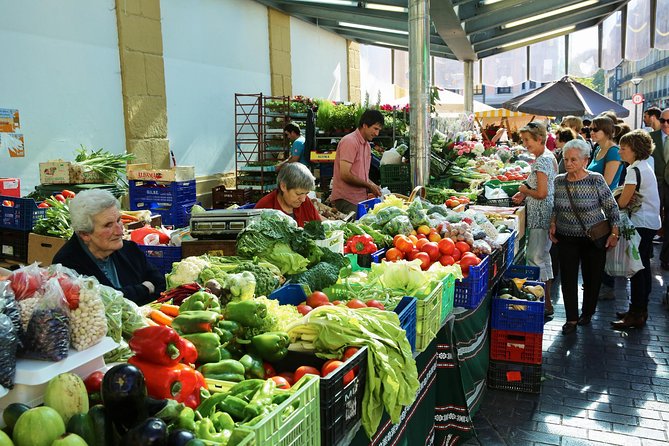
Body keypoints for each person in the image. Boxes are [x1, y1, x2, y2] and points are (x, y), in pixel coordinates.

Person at [549, 139, 621, 335]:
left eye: (574, 159)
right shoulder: (559, 181)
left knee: (592, 278)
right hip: (566, 237)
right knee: (568, 278)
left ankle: (588, 312)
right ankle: (571, 318)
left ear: (585, 160)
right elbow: (555, 207)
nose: (569, 163)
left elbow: (611, 207)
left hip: (593, 238)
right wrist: (553, 223)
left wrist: (614, 232)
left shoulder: (596, 179)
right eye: (566, 159)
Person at [52, 189, 165, 305]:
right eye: (108, 225)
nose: (119, 230)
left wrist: (131, 294)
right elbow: (101, 304)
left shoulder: (129, 249)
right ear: (85, 234)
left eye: (118, 220)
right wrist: (144, 289)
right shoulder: (66, 266)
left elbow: (160, 284)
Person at [611, 130, 661, 329]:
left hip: (640, 223)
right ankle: (639, 310)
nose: (620, 152)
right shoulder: (645, 165)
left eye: (623, 149)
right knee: (644, 268)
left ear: (635, 150)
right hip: (650, 222)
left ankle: (636, 313)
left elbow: (622, 202)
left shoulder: (634, 169)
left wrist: (617, 197)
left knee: (637, 269)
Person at [512, 122, 557, 315]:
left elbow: (541, 193)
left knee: (534, 258)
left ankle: (539, 302)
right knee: (544, 258)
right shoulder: (548, 157)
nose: (525, 144)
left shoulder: (541, 161)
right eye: (523, 140)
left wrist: (524, 190)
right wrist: (524, 194)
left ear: (539, 139)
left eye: (527, 140)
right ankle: (546, 303)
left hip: (540, 216)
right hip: (546, 215)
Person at [329, 109, 384, 214]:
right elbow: (345, 174)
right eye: (375, 128)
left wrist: (373, 185)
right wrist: (369, 185)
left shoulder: (366, 145)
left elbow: (361, 175)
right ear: (364, 125)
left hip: (359, 200)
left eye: (379, 130)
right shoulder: (350, 141)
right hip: (346, 199)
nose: (377, 133)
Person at [254, 162, 322, 227]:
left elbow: (318, 228)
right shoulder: (264, 208)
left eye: (306, 193)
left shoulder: (305, 202)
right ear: (283, 186)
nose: (303, 199)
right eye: (298, 194)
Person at [651, 108, 669, 269]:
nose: (665, 124)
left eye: (668, 121)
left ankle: (666, 258)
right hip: (655, 184)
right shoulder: (651, 138)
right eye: (662, 120)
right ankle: (647, 252)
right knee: (652, 219)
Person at [588, 116, 624, 189]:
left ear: (606, 130)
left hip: (606, 198)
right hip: (592, 196)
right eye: (590, 129)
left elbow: (606, 182)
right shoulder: (598, 149)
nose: (591, 132)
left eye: (595, 129)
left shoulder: (614, 151)